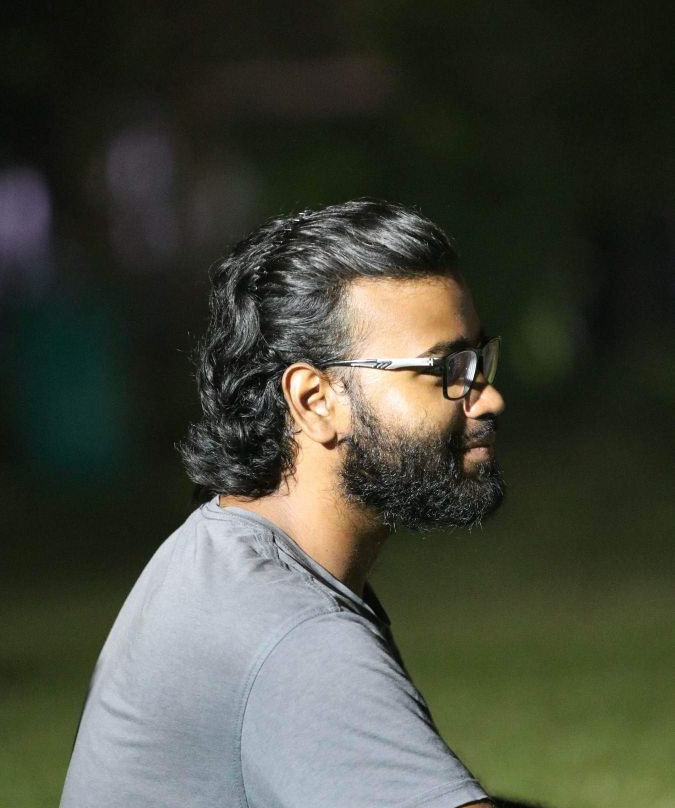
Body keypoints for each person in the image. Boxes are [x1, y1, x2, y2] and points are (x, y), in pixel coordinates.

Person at [61, 198, 521, 808]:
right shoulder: (293, 635)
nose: (488, 399)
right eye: (447, 370)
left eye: (479, 360)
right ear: (314, 400)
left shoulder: (223, 553)